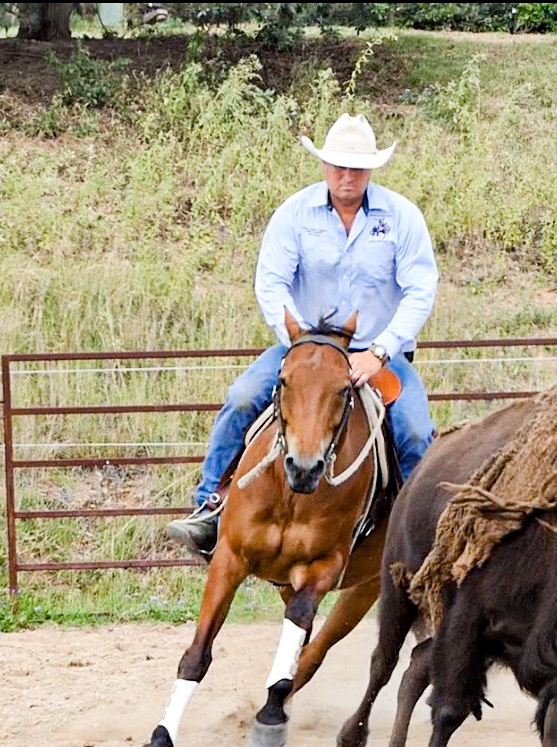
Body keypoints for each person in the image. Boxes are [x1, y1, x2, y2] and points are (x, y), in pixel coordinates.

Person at [167, 112, 440, 561]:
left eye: (357, 167)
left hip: (377, 354)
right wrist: (298, 343)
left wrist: (379, 351)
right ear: (324, 165)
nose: (347, 175)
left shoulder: (402, 218)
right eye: (339, 165)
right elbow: (271, 283)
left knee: (413, 430)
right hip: (304, 350)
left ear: (371, 169)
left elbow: (420, 289)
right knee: (242, 398)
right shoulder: (294, 214)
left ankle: (419, 540)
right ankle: (210, 507)